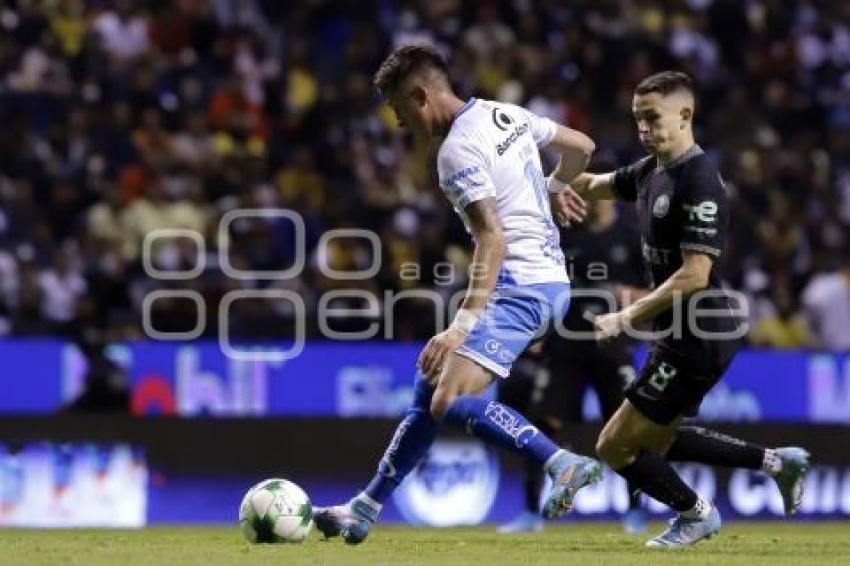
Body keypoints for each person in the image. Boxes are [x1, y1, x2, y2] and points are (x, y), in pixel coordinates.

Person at [313, 44, 601, 545]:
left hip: (521, 286)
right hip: (550, 281)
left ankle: (561, 462)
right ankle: (365, 506)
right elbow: (582, 146)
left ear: (420, 96)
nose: (401, 125)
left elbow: (492, 237)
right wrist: (551, 187)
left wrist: (462, 324)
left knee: (451, 399)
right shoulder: (503, 113)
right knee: (430, 387)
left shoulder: (454, 152)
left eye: (400, 111)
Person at [569, 71, 810, 548]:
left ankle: (697, 514)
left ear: (686, 115)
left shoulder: (700, 181)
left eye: (652, 118)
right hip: (684, 332)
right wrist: (545, 182)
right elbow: (594, 184)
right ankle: (779, 462)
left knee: (615, 446)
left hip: (700, 335)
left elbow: (696, 273)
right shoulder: (650, 170)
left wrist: (625, 317)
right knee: (658, 441)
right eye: (638, 119)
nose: (643, 128)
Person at [498, 198, 649, 534]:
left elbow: (659, 291)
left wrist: (630, 296)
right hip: (565, 346)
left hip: (612, 347)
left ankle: (635, 512)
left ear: (608, 196)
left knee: (624, 429)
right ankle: (530, 513)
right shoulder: (567, 238)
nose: (587, 199)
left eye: (593, 191)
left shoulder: (630, 237)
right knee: (542, 423)